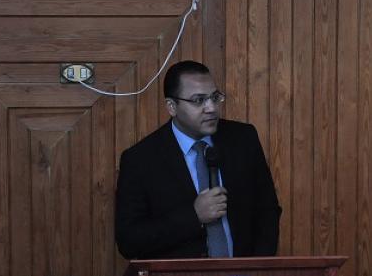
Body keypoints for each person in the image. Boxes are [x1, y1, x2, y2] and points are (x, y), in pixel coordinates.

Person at [115, 61, 281, 259]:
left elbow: (268, 210)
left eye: (214, 97)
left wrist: (258, 267)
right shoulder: (140, 160)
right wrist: (194, 216)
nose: (211, 108)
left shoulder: (243, 139)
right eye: (198, 100)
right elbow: (129, 241)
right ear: (172, 107)